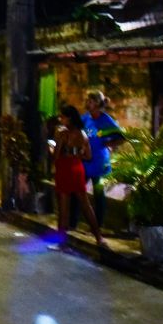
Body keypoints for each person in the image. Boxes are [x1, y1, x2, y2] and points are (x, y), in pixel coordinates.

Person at [52, 105, 104, 248]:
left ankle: (61, 242)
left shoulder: (63, 134)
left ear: (69, 118)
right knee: (86, 205)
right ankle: (99, 237)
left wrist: (55, 147)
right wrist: (76, 154)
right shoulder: (83, 134)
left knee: (64, 208)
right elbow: (88, 156)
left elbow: (56, 155)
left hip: (65, 169)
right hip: (77, 168)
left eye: (62, 116)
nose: (60, 119)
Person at [71, 90, 124, 229]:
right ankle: (72, 223)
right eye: (87, 100)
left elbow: (121, 138)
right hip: (86, 161)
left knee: (99, 195)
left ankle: (97, 226)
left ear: (97, 103)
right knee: (77, 191)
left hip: (100, 163)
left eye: (91, 101)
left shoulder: (105, 120)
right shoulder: (85, 118)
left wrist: (107, 144)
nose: (87, 103)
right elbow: (76, 132)